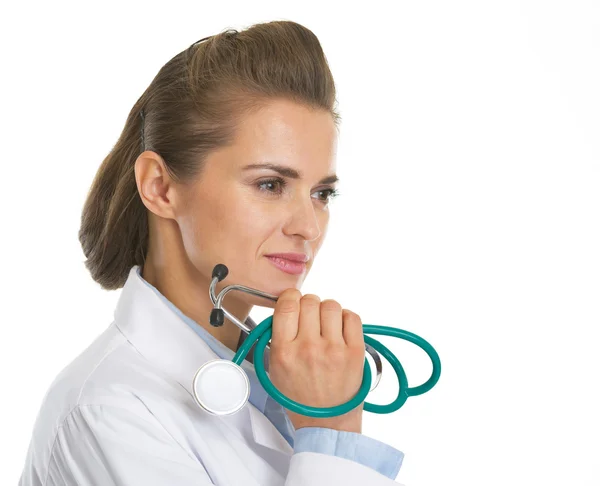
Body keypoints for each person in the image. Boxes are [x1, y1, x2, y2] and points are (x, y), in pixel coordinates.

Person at [19, 20, 406, 485]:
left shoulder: (275, 385)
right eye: (270, 184)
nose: (308, 226)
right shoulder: (107, 413)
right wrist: (333, 432)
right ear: (160, 187)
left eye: (322, 194)